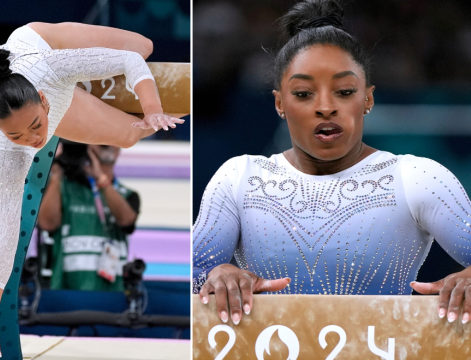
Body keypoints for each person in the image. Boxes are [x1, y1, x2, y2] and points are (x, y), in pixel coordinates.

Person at [193, 0, 471, 328]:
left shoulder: (417, 178)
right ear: (279, 103)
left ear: (367, 98)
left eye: (343, 91)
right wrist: (217, 274)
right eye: (303, 94)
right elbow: (187, 274)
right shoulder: (239, 177)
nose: (325, 107)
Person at [0, 22, 184, 360]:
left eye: (35, 127)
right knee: (129, 137)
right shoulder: (6, 148)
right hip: (52, 95)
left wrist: (152, 108)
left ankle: (85, 80)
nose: (33, 141)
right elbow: (7, 236)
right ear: (0, 131)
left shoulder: (52, 67)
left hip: (43, 45)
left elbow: (133, 60)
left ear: (43, 102)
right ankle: (85, 84)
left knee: (144, 46)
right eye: (18, 136)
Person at [38, 142, 139, 291]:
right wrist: (56, 175)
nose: (107, 144)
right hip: (66, 291)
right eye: (100, 142)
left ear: (120, 149)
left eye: (112, 141)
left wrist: (100, 178)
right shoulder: (63, 188)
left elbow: (126, 221)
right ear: (86, 148)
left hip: (113, 293)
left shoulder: (128, 195)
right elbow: (47, 223)